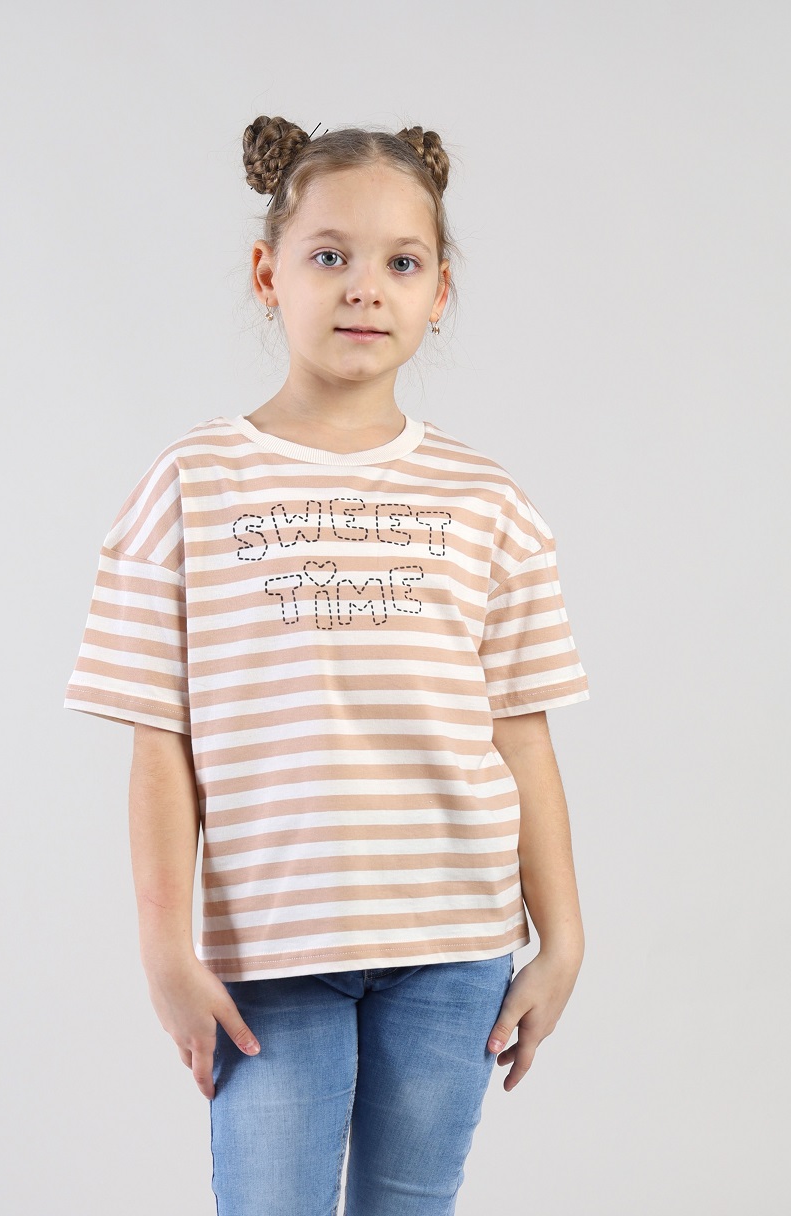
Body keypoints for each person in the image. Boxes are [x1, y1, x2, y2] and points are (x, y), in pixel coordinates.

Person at [64, 116, 591, 1216]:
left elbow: (521, 734)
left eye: (401, 262)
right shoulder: (190, 485)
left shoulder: (487, 502)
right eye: (330, 255)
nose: (365, 287)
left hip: (455, 944)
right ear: (269, 273)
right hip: (271, 950)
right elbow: (160, 746)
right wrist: (164, 948)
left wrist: (563, 938)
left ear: (439, 292)